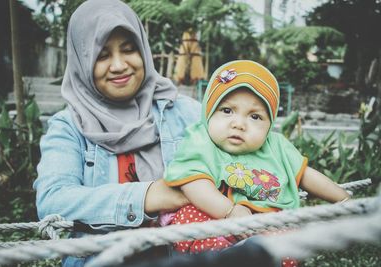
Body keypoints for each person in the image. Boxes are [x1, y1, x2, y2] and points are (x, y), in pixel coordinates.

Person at [33, 0, 200, 265]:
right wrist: (147, 196)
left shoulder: (185, 112)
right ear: (82, 61)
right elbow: (54, 200)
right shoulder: (68, 126)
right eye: (102, 55)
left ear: (143, 50)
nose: (119, 65)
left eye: (129, 49)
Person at [163, 60, 351, 254]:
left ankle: (258, 256)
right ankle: (221, 257)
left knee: (287, 240)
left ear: (269, 125)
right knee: (189, 218)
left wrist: (343, 200)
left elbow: (305, 175)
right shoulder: (200, 141)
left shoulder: (275, 146)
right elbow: (195, 185)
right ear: (209, 112)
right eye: (227, 111)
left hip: (263, 224)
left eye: (255, 117)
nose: (239, 124)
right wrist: (230, 211)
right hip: (214, 217)